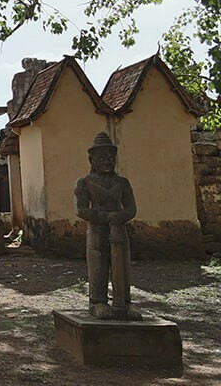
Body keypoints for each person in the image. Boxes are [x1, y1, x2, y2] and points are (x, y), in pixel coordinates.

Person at [74, 131, 141, 320]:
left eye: (110, 158)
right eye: (101, 158)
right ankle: (98, 302)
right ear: (91, 159)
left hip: (119, 229)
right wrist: (104, 217)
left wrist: (118, 217)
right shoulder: (85, 182)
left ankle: (123, 302)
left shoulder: (122, 182)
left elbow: (131, 208)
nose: (106, 162)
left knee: (122, 267)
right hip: (97, 230)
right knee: (99, 266)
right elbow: (80, 209)